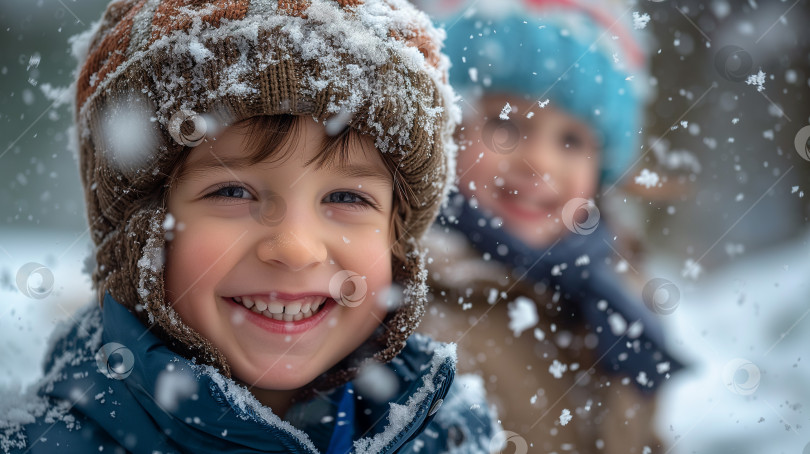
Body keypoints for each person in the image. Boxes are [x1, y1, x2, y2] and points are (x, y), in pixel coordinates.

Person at [0, 1, 498, 452]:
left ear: (397, 240)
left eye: (346, 197)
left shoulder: (445, 433)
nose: (296, 248)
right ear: (136, 234)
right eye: (233, 193)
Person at [416, 1, 683, 452]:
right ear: (450, 128)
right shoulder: (414, 305)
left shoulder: (616, 298)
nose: (539, 162)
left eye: (570, 140)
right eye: (506, 124)